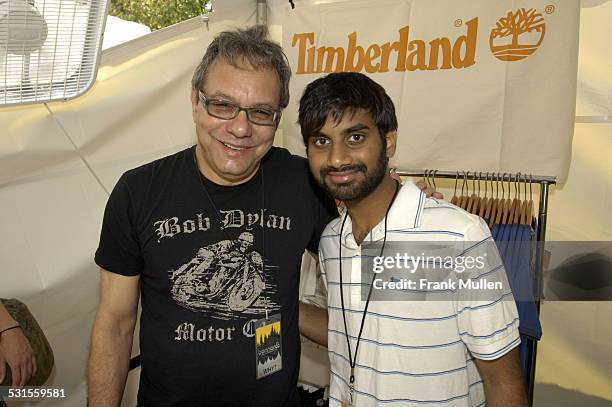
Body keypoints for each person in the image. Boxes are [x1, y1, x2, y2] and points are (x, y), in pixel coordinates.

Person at [87, 25, 438, 406]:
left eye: (260, 112)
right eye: (223, 105)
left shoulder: (305, 182)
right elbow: (115, 324)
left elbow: (370, 269)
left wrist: (407, 209)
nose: (240, 128)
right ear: (195, 101)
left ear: (277, 118)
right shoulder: (139, 192)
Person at [298, 72, 528, 406]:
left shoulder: (458, 236)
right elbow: (349, 330)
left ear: (389, 142)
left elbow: (503, 384)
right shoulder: (333, 241)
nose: (336, 158)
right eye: (321, 141)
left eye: (355, 137)